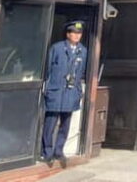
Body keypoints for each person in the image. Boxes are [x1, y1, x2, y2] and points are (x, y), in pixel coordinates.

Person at [41, 20, 88, 167]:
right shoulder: (57, 48)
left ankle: (58, 151)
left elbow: (81, 72)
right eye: (73, 33)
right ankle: (46, 152)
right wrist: (47, 87)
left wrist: (78, 91)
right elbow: (47, 69)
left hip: (71, 91)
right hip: (56, 90)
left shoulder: (83, 50)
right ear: (68, 34)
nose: (76, 36)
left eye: (79, 33)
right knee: (50, 123)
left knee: (65, 124)